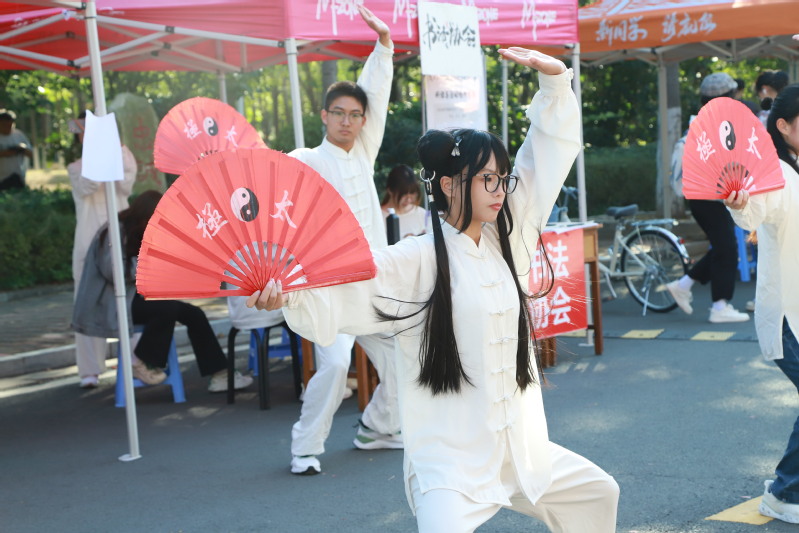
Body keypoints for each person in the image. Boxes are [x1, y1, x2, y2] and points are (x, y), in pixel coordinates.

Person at [249, 47, 619, 532]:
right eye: (486, 179)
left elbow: (541, 164)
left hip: (520, 450)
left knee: (597, 493)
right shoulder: (418, 259)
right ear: (448, 185)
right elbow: (353, 284)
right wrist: (291, 292)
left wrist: (554, 85)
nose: (499, 189)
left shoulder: (509, 241)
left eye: (502, 179)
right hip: (450, 463)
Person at [283, 5, 402, 476]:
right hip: (329, 287)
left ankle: (378, 427)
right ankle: (305, 447)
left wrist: (384, 47)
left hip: (371, 281)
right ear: (324, 116)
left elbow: (378, 94)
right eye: (339, 113)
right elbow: (277, 205)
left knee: (403, 356)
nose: (348, 121)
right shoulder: (305, 160)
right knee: (334, 367)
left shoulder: (364, 154)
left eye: (355, 115)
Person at [72, 190, 253, 392]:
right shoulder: (114, 232)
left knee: (194, 314)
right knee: (167, 309)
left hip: (134, 298)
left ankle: (220, 374)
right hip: (111, 304)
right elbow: (115, 274)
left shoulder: (137, 230)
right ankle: (141, 361)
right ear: (145, 216)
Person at [725, 84, 799, 524]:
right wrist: (738, 203)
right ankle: (784, 492)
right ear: (784, 126)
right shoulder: (776, 174)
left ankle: (786, 486)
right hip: (787, 312)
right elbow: (751, 212)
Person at [667, 72, 749, 324]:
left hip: (705, 199)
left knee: (723, 248)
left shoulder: (703, 123)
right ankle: (719, 306)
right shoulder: (713, 126)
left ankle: (683, 285)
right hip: (709, 198)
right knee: (727, 249)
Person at [68, 112, 138, 388]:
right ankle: (89, 369)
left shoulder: (121, 157)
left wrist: (112, 143)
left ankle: (135, 360)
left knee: (130, 298)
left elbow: (126, 181)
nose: (85, 136)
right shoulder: (77, 167)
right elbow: (90, 182)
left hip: (120, 238)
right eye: (83, 132)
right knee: (87, 302)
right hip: (89, 242)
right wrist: (98, 150)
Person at [381, 164, 430, 239]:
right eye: (404, 194)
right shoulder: (378, 216)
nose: (409, 199)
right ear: (390, 190)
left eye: (412, 193)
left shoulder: (423, 215)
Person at [0, 109, 32, 191]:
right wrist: (8, 152)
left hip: (18, 176)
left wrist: (21, 149)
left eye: (9, 124)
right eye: (4, 124)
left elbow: (30, 154)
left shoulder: (19, 135)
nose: (7, 127)